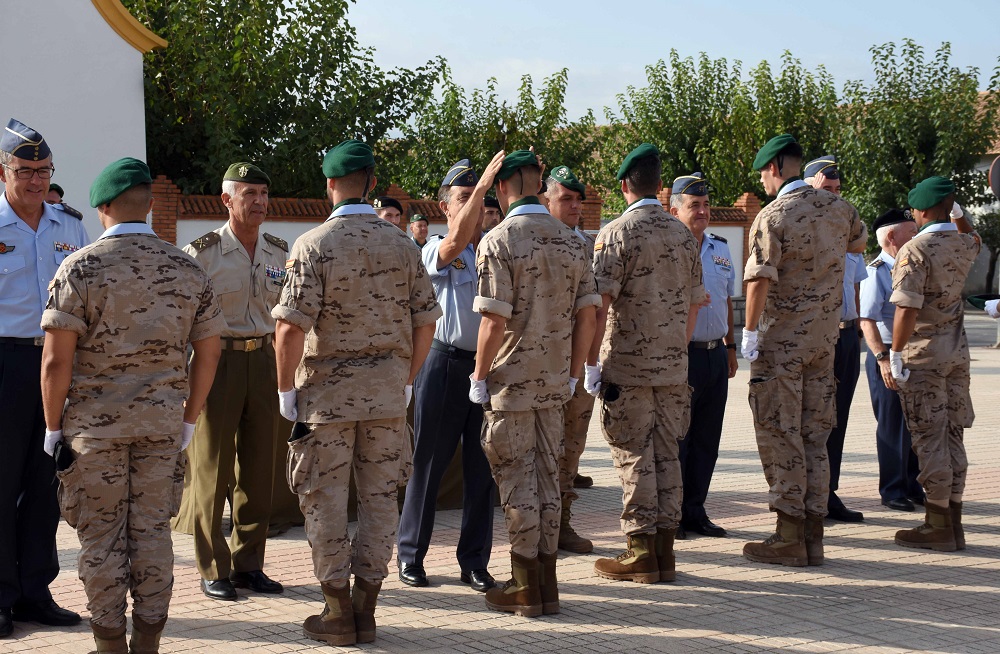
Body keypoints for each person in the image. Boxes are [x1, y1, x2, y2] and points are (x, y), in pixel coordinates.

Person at [40, 157, 223, 653]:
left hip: (93, 432)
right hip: (162, 427)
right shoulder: (188, 267)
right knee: (152, 536)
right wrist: (189, 418)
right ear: (148, 205)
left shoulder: (79, 267)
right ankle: (148, 641)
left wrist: (52, 428)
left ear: (101, 208)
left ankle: (108, 644)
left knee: (101, 541)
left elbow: (57, 362)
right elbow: (209, 351)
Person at [273, 140, 440, 646]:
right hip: (387, 398)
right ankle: (366, 609)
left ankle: (337, 611)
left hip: (326, 400)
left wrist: (285, 390)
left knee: (323, 502)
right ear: (371, 183)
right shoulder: (402, 245)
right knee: (381, 501)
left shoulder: (313, 245)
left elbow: (288, 330)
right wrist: (406, 380)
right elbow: (426, 324)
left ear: (328, 185)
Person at [470, 149, 598, 617]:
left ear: (503, 188)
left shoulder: (498, 240)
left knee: (517, 481)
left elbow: (492, 323)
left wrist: (479, 378)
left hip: (512, 383)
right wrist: (572, 372)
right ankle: (546, 582)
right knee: (549, 479)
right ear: (539, 185)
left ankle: (525, 584)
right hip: (554, 383)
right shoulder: (573, 242)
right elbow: (589, 316)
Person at [741, 134, 866, 568]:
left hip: (782, 344)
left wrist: (750, 330)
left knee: (780, 432)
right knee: (816, 435)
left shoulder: (772, 216)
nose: (763, 181)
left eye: (763, 173)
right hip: (824, 342)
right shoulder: (841, 209)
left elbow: (758, 279)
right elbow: (859, 242)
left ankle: (788, 534)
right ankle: (813, 534)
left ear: (775, 168)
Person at [587, 145, 706, 584]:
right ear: (660, 187)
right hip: (674, 368)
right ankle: (665, 551)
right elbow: (696, 304)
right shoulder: (682, 235)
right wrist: (675, 347)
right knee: (667, 455)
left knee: (634, 455)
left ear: (623, 186)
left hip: (629, 369)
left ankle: (640, 550)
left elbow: (600, 307)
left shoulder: (616, 233)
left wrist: (589, 365)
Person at [181, 162, 287, 601]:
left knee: (260, 468)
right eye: (249, 194)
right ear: (227, 200)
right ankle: (213, 567)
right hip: (216, 362)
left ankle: (249, 564)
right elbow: (184, 319)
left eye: (263, 193)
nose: (259, 202)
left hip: (263, 359)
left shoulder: (280, 251)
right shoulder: (201, 253)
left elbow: (285, 315)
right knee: (213, 469)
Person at [397, 155, 504, 592]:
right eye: (465, 199)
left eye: (481, 201)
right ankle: (411, 555)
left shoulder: (497, 252)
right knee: (429, 463)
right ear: (446, 207)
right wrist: (481, 191)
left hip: (488, 371)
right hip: (443, 365)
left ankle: (474, 562)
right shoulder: (434, 249)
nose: (478, 208)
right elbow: (456, 242)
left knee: (483, 469)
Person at [0, 118, 89, 639]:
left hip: (58, 366)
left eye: (43, 171)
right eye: (24, 170)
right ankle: (1, 595)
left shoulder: (69, 227)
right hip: (6, 364)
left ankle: (36, 590)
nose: (35, 180)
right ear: (3, 172)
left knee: (44, 482)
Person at [888, 177, 980, 551]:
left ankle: (938, 523)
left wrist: (894, 352)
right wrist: (959, 214)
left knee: (930, 439)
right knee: (954, 434)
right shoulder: (964, 243)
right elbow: (973, 235)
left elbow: (907, 308)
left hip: (924, 357)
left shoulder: (916, 249)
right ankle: (954, 521)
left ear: (921, 212)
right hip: (957, 355)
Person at [669, 172, 737, 539]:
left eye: (706, 205)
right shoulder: (669, 248)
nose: (703, 211)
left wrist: (729, 346)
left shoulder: (720, 247)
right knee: (678, 439)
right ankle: (673, 513)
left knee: (707, 441)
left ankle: (696, 510)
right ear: (675, 208)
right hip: (682, 357)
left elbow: (726, 300)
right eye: (695, 205)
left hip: (713, 354)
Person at [803, 155, 867, 523]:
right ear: (810, 186)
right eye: (828, 189)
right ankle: (807, 494)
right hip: (816, 337)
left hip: (845, 335)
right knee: (813, 419)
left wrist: (855, 327)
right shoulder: (803, 229)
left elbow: (855, 287)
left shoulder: (846, 229)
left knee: (838, 418)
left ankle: (829, 493)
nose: (835, 197)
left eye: (838, 190)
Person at [543, 164, 598, 554]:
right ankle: (535, 530)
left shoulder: (586, 246)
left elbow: (594, 313)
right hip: (537, 366)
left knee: (570, 449)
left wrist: (587, 367)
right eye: (566, 198)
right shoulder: (533, 241)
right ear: (546, 200)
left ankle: (561, 523)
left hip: (574, 367)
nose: (575, 205)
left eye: (578, 199)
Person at [858, 209, 923, 512]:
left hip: (911, 352)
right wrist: (883, 359)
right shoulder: (876, 272)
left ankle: (912, 483)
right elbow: (867, 319)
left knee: (914, 423)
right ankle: (892, 489)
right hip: (885, 353)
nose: (917, 237)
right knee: (892, 424)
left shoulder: (913, 266)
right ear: (892, 237)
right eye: (912, 232)